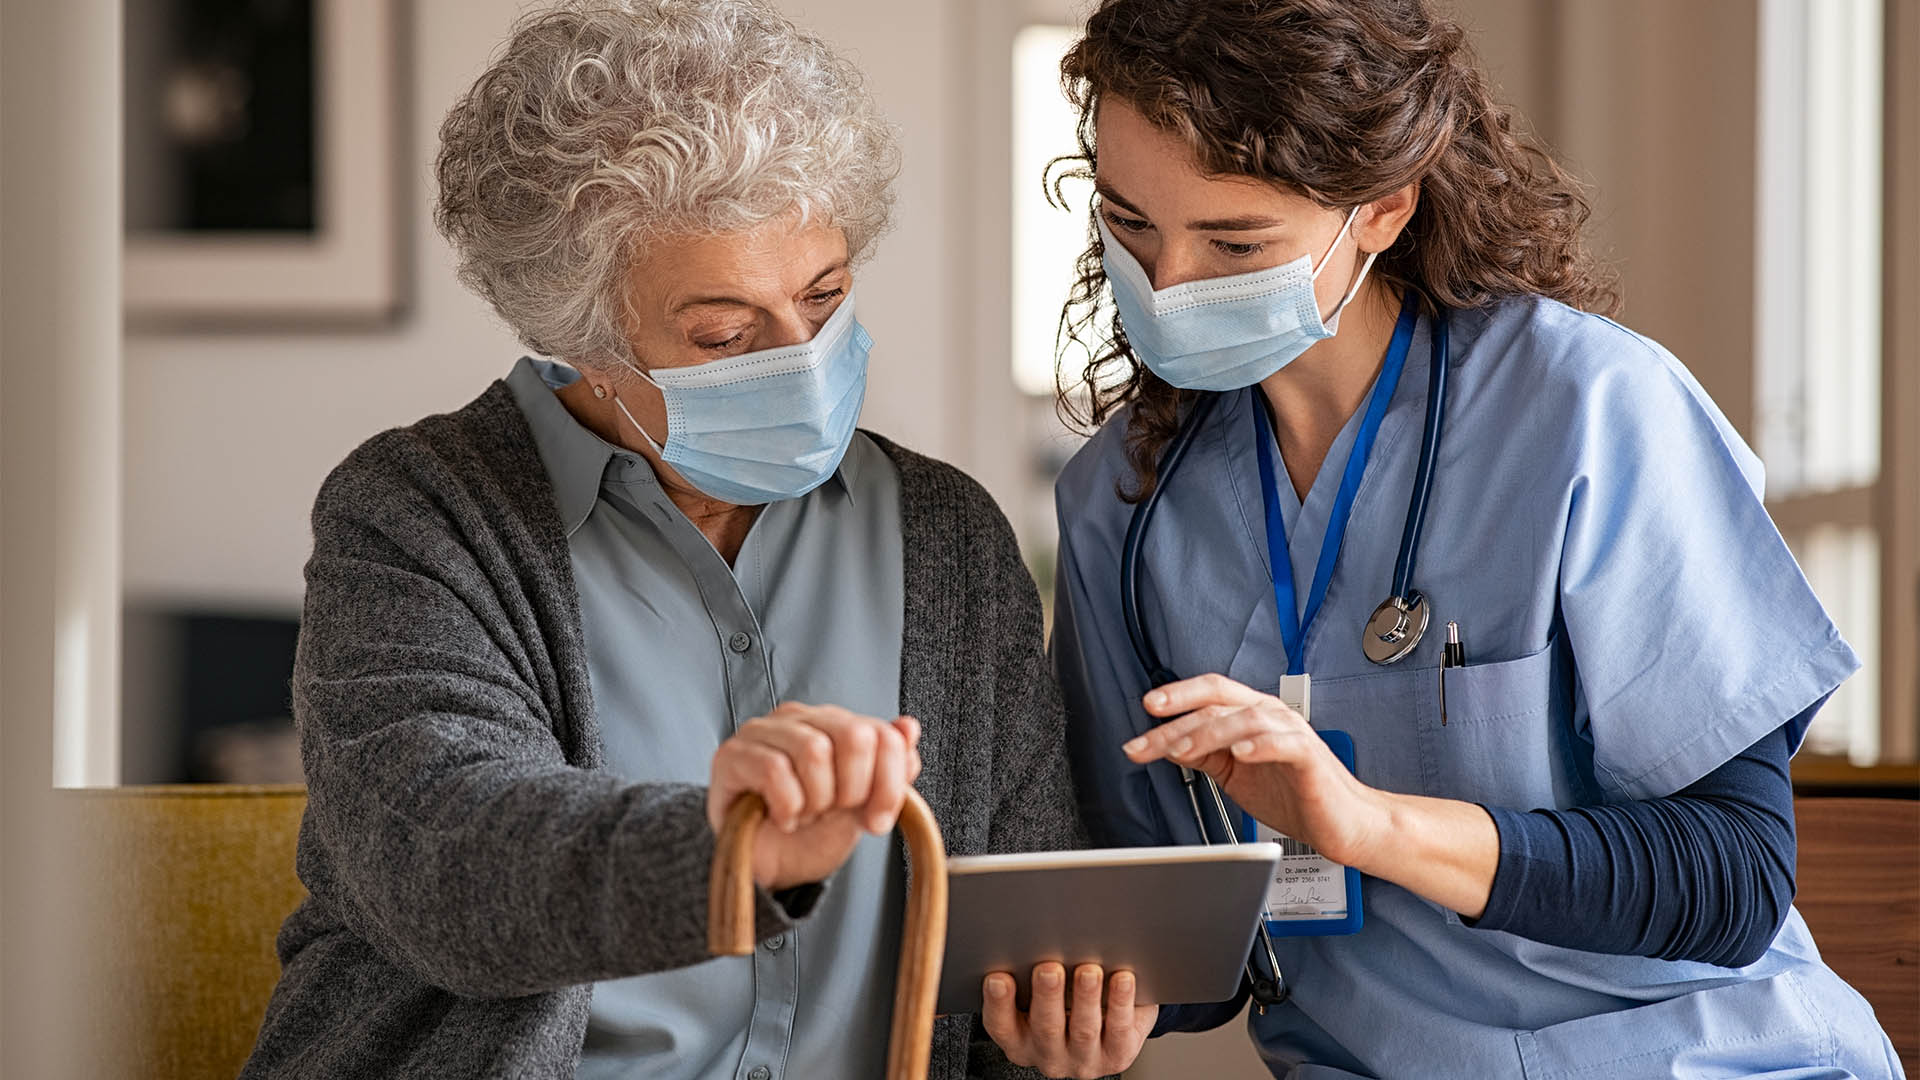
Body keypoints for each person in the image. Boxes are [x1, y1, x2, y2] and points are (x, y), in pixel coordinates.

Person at [238, 3, 1148, 1078]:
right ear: (576, 340)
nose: (803, 360)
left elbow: (1010, 926)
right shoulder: (417, 515)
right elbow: (443, 861)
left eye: (825, 298)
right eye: (723, 334)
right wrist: (733, 853)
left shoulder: (947, 535)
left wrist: (1060, 1035)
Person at [1045, 1, 1903, 1078]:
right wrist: (1092, 1003)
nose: (1166, 286)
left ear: (1383, 208)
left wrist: (1367, 824)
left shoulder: (1591, 412)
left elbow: (1730, 877)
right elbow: (1184, 940)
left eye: (1236, 242)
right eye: (1130, 223)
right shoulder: (1122, 505)